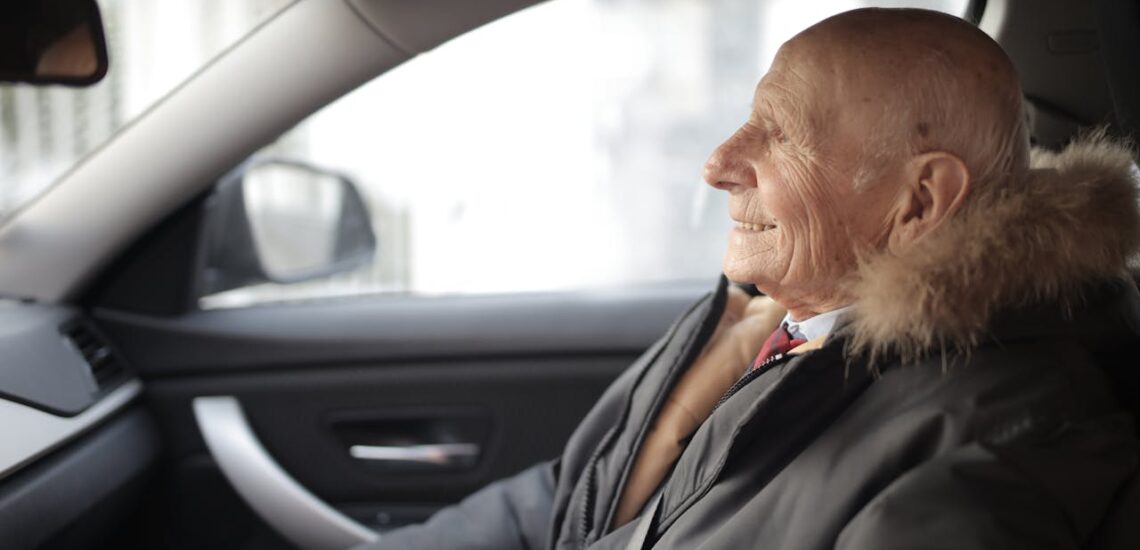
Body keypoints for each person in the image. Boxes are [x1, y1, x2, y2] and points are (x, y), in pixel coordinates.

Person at [357, 7, 1140, 549]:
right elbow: (567, 504)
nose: (719, 164)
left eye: (781, 136)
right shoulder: (762, 321)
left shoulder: (1006, 441)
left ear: (919, 201)